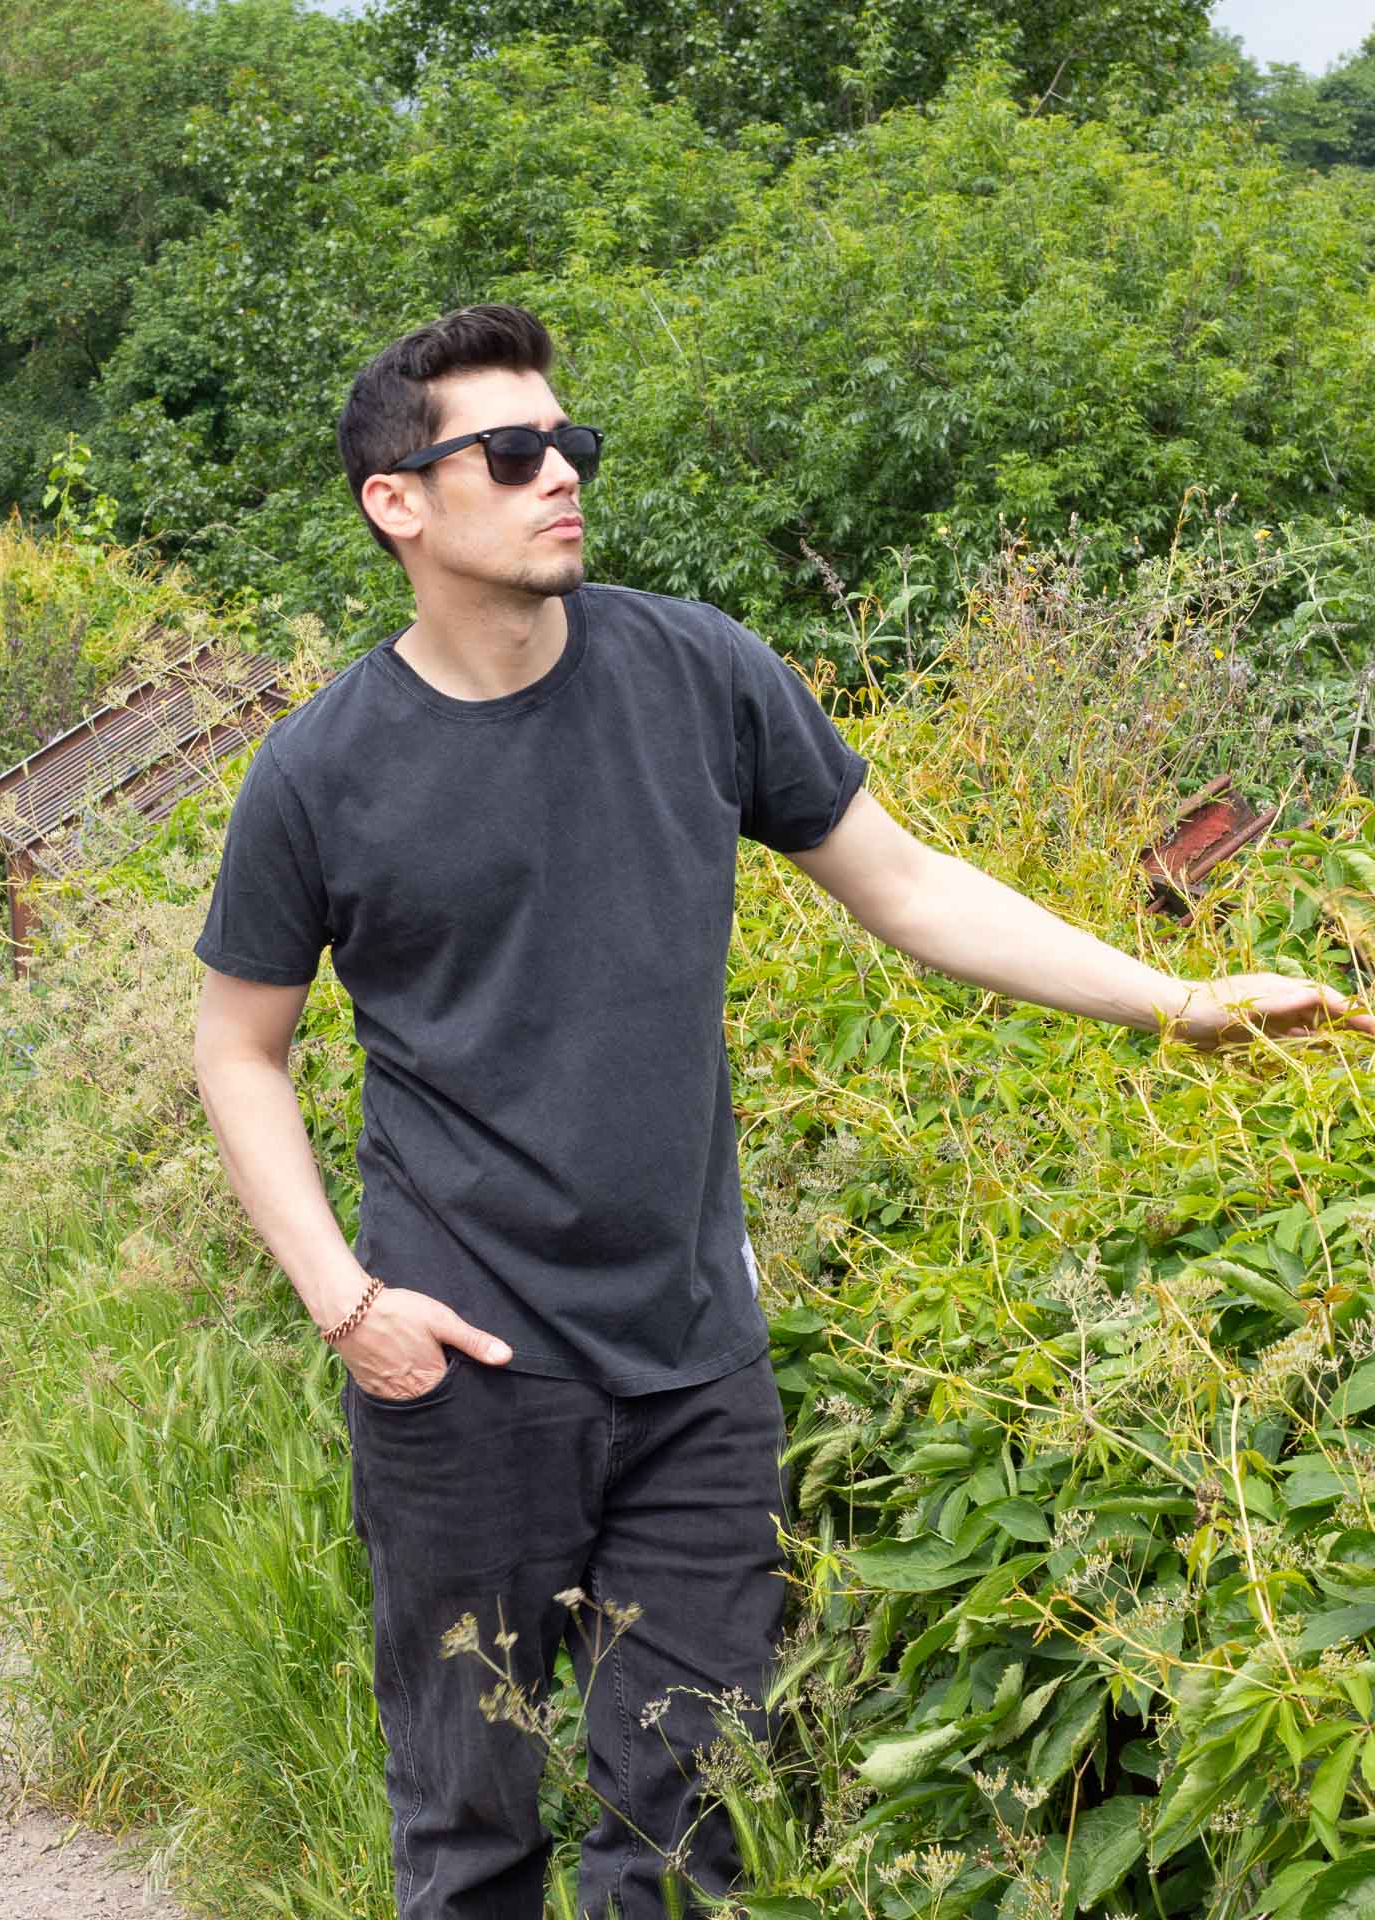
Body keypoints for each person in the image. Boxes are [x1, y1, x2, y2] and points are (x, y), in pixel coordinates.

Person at [191, 303, 1372, 1920]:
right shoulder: (322, 771)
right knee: (469, 1828)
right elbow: (238, 1049)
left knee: (691, 1824)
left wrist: (1182, 1001)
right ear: (395, 500)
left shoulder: (696, 672)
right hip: (461, 1373)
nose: (562, 475)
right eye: (513, 453)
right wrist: (349, 1307)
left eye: (569, 443)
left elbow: (910, 888)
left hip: (698, 1363)